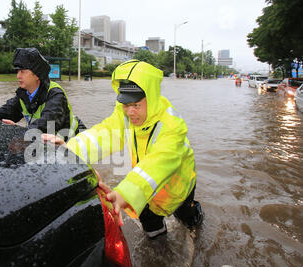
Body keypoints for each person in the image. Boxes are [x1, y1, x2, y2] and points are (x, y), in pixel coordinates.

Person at [43, 60, 204, 239]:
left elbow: (160, 162)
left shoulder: (172, 125)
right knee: (153, 232)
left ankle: (195, 220)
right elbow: (102, 135)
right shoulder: (124, 115)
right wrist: (69, 150)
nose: (130, 112)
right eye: (126, 105)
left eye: (136, 105)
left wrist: (125, 193)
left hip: (177, 187)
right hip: (143, 190)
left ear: (151, 99)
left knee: (189, 220)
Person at [0, 48, 85, 140]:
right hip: (52, 145)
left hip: (76, 143)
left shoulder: (56, 95)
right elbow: (2, 114)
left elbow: (46, 125)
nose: (18, 76)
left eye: (22, 71)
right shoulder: (23, 95)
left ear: (37, 75)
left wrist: (17, 133)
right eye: (17, 71)